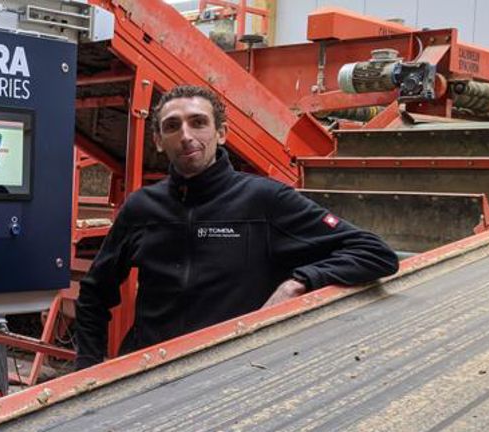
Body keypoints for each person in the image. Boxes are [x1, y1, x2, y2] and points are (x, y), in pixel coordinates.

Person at [75, 85, 399, 370]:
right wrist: (87, 369)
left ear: (222, 133)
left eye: (198, 122)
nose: (186, 135)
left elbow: (375, 253)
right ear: (159, 141)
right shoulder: (142, 207)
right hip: (148, 369)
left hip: (229, 371)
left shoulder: (265, 199)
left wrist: (299, 282)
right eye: (172, 126)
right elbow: (94, 293)